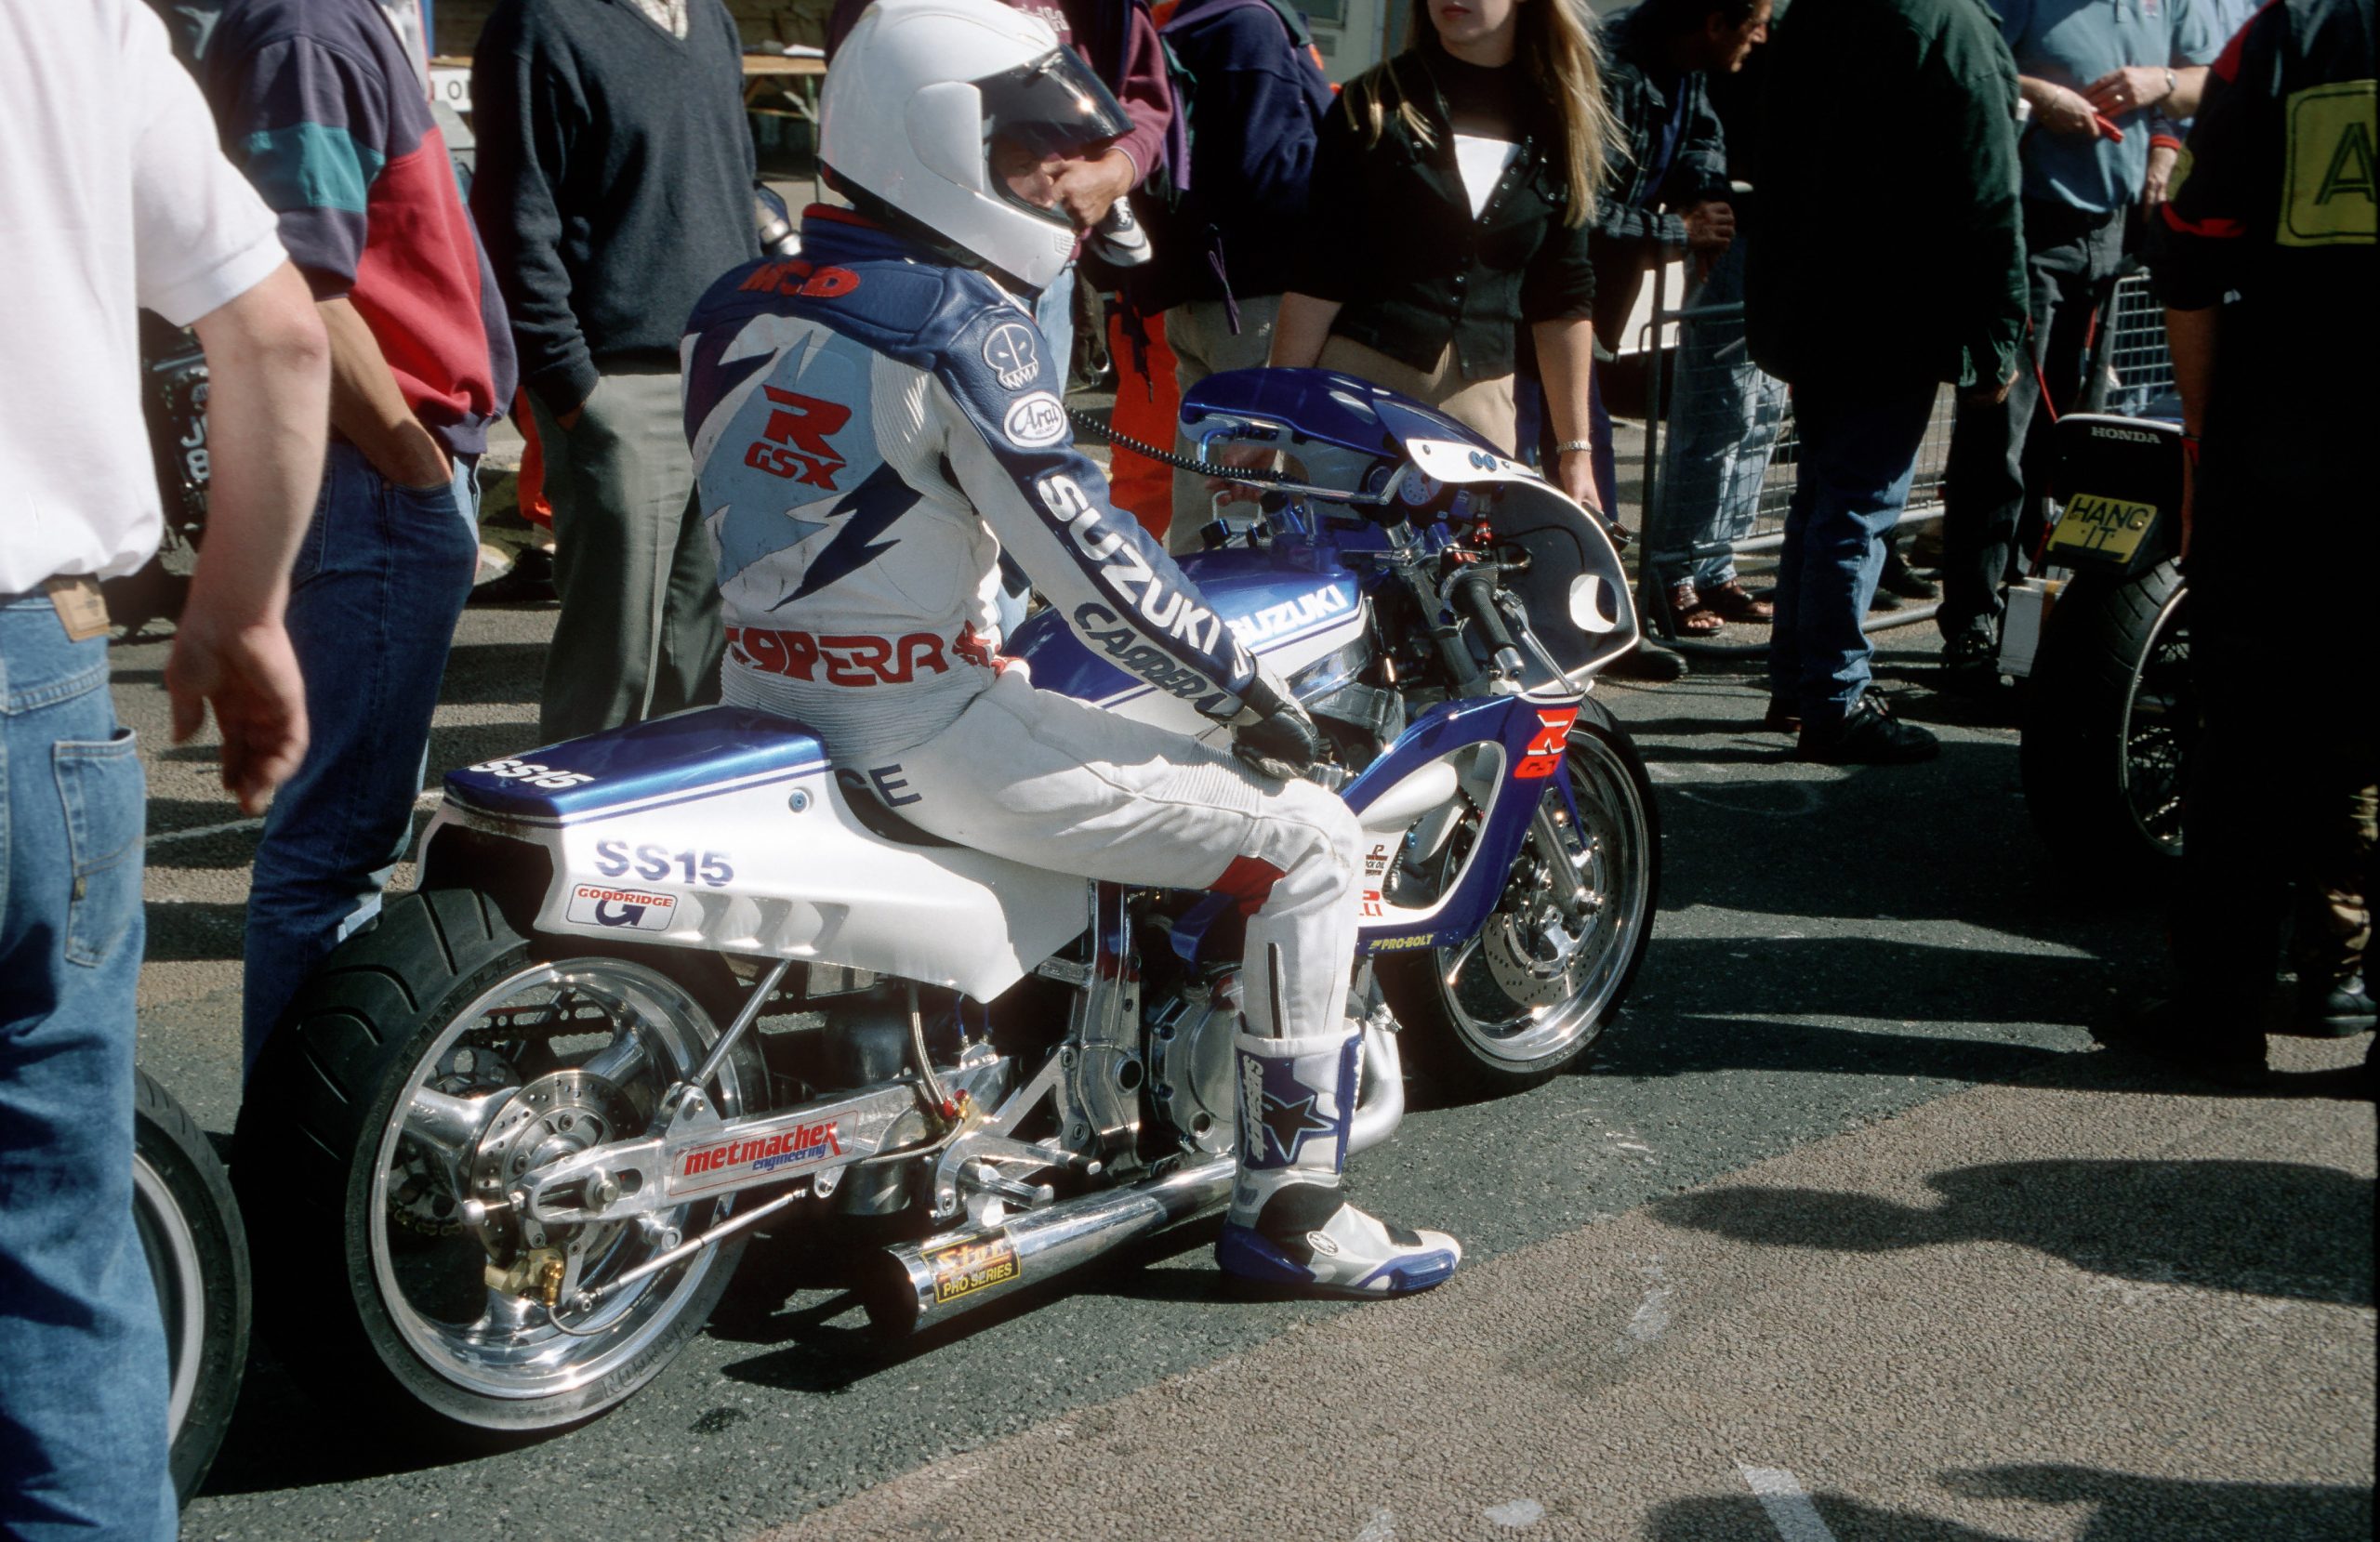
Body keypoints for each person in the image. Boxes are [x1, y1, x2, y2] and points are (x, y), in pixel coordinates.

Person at [684, 0, 1460, 1295]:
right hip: (921, 721)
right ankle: (1295, 1207)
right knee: (1313, 840)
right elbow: (1102, 574)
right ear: (941, 142)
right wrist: (1251, 691)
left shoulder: (739, 288)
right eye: (1032, 155)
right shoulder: (955, 321)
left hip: (769, 691)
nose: (1058, 184)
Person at [1, 2, 327, 1532]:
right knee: (57, 1245)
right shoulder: (75, 18)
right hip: (32, 680)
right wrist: (242, 607)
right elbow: (273, 330)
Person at [153, 0, 518, 1074]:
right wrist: (410, 455)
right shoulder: (307, 29)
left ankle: (316, 1134)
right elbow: (297, 287)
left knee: (342, 844)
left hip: (382, 461)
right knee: (335, 853)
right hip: (372, 468)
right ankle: (308, 1151)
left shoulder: (322, 23)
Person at [2118, 0, 2375, 1084]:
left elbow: (2187, 243)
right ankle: (2333, 972)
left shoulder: (2287, 33)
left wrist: (2202, 441)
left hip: (2289, 455)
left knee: (2249, 739)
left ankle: (2219, 1020)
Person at [1746, 0, 2029, 764]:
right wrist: (1999, 333)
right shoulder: (1950, 25)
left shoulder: (1815, 15)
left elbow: (1771, 151)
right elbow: (1990, 189)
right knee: (1856, 505)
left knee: (1822, 499)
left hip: (1816, 298)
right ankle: (1833, 698)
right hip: (1893, 308)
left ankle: (1802, 684)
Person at [470, 0, 760, 743]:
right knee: (614, 660)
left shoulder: (709, 19)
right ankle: (574, 833)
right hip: (618, 384)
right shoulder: (543, 23)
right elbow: (513, 220)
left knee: (704, 658)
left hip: (724, 373)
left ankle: (683, 838)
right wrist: (570, 387)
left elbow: (736, 186)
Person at [1936, 0, 2218, 691]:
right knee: (2001, 435)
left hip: (2112, 235)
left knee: (2072, 444)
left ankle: (2037, 617)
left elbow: (2210, 77)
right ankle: (1974, 621)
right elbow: (1971, 66)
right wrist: (2041, 94)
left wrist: (2162, 132)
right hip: (2032, 227)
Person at [1265, 0, 1615, 512]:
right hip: (1356, 398)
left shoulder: (1560, 119)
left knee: (1467, 585)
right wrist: (1272, 418)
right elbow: (1320, 273)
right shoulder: (1374, 102)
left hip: (1482, 412)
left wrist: (1575, 454)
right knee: (1341, 578)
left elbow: (1562, 298)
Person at [826, 0, 1176, 379]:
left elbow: (1144, 95)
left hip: (1046, 264)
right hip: (916, 259)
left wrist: (1117, 169)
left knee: (1029, 430)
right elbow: (858, 96)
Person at [1128, 0, 1335, 547]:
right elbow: (1273, 178)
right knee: (1267, 502)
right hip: (1262, 302)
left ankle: (1194, 623)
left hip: (1198, 296)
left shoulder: (1190, 23)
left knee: (1208, 497)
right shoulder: (1253, 25)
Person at [1633, 3, 1780, 636]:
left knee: (1762, 414)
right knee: (1716, 411)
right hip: (1734, 228)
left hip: (1779, 229)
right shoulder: (1688, 42)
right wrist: (1705, 207)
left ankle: (1717, 564)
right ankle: (1673, 571)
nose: (1764, 35)